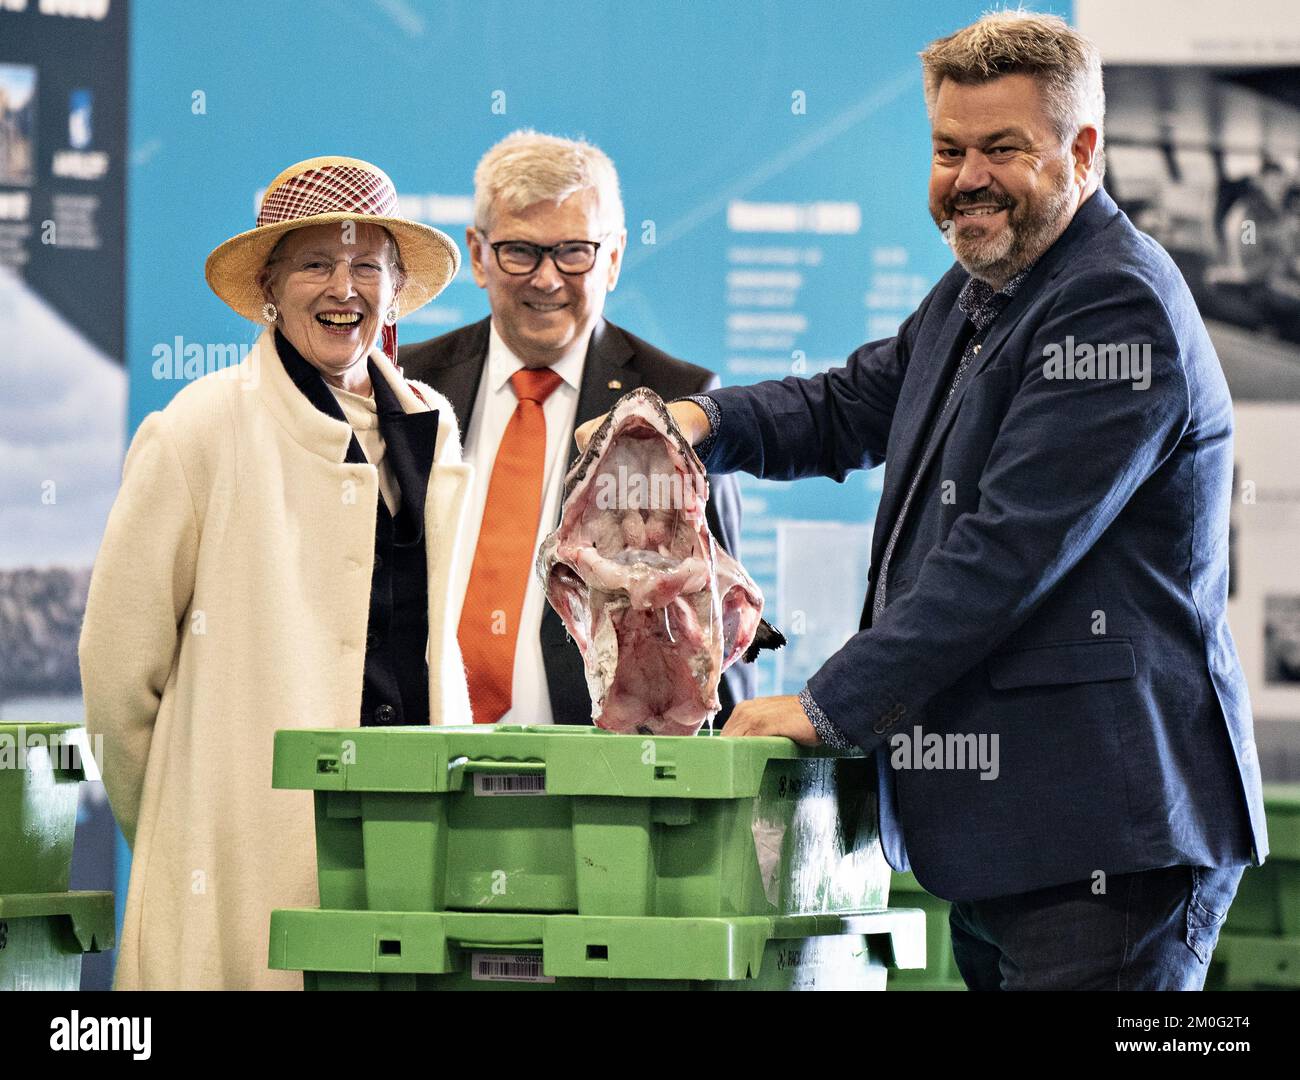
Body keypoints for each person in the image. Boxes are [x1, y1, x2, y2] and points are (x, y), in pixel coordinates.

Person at [579, 12, 1268, 990]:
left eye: (1001, 149)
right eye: (948, 150)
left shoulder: (1115, 305)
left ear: (1081, 150)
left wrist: (824, 708)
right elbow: (846, 403)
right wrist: (693, 421)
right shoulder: (977, 291)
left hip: (1109, 841)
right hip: (1013, 846)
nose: (967, 177)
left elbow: (1005, 556)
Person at [79, 156, 472, 989]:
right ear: (269, 286)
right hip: (235, 872)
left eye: (369, 264)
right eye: (316, 263)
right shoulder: (199, 428)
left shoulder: (433, 428)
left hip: (408, 849)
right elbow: (118, 680)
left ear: (397, 288)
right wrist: (188, 829)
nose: (345, 287)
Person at [400, 130, 752, 728]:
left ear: (613, 257)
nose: (546, 279)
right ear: (479, 255)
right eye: (520, 251)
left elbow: (715, 626)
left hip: (598, 776)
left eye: (574, 252)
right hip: (415, 758)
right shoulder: (406, 387)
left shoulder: (674, 401)